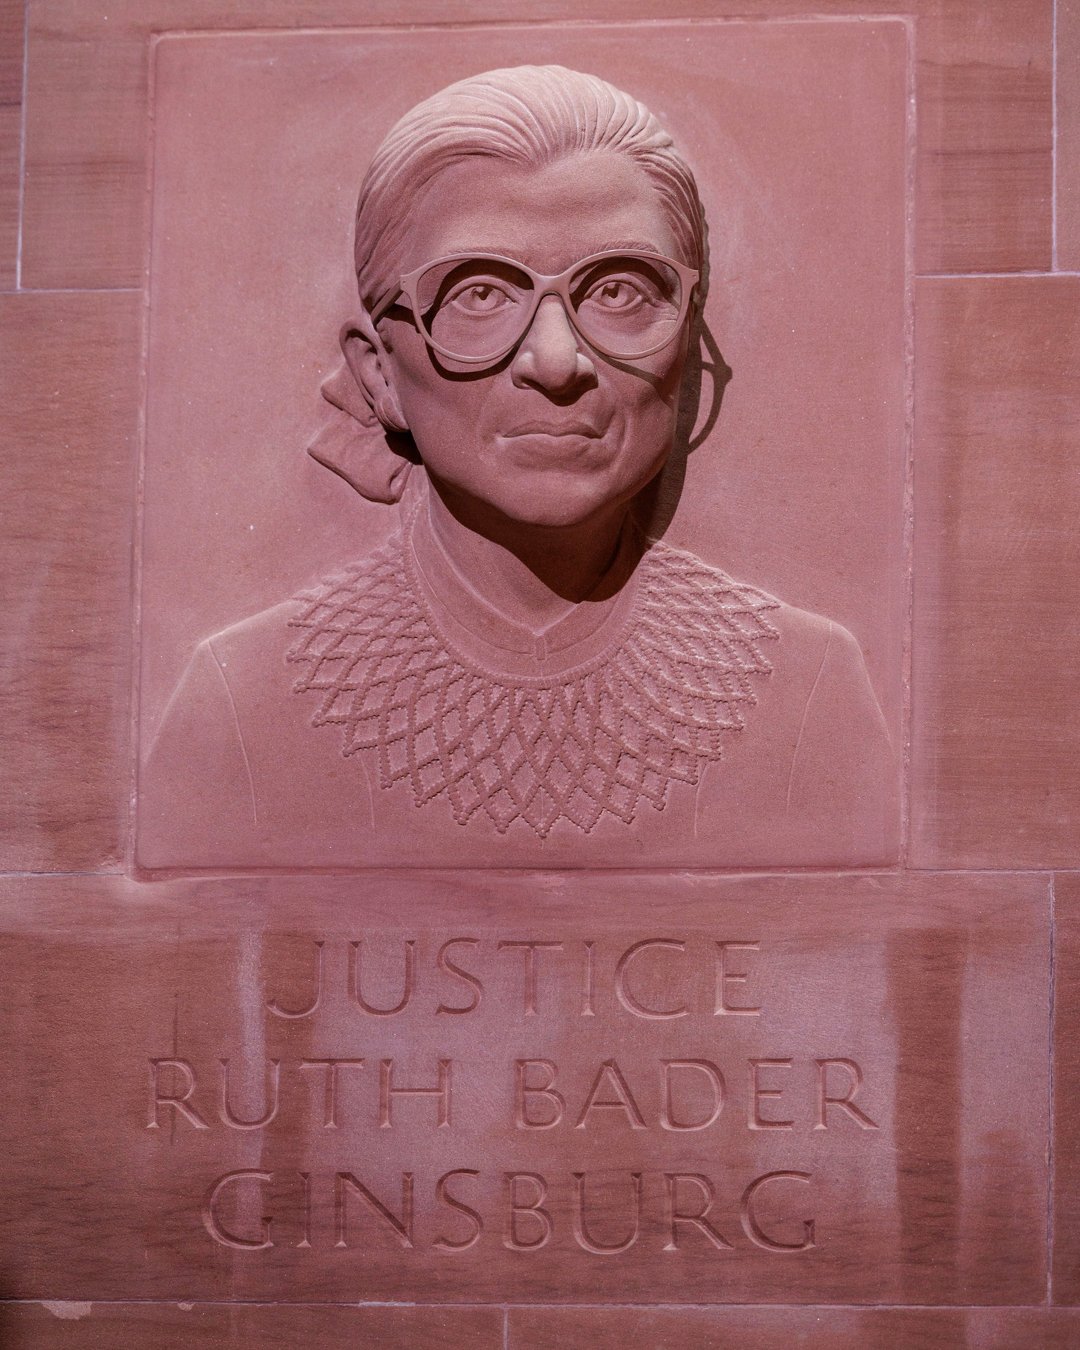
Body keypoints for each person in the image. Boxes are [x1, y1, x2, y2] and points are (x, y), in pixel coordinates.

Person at [138, 64, 897, 871]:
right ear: (379, 374)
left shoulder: (808, 691)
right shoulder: (242, 706)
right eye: (478, 294)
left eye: (619, 290)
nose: (557, 361)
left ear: (689, 350)